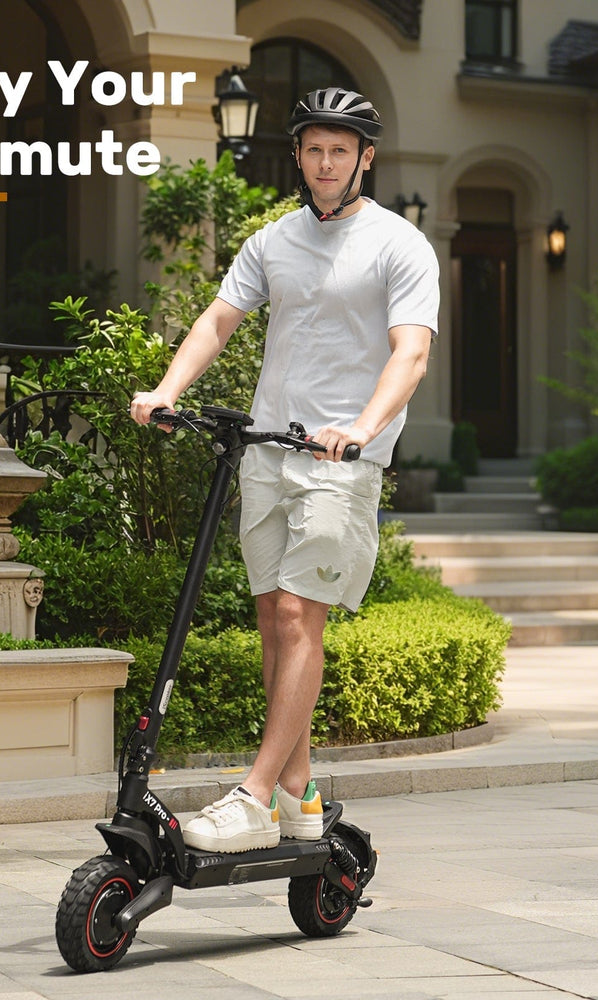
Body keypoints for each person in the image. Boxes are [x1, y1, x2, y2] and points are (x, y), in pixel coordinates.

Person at [130, 86, 439, 853]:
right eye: (314, 149)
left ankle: (255, 794)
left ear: (365, 157)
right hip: (267, 452)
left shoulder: (400, 244)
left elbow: (412, 350)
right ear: (298, 156)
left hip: (338, 462)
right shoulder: (274, 240)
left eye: (341, 150)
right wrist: (167, 391)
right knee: (274, 619)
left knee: (302, 617)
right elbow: (219, 319)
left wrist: (362, 429)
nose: (326, 162)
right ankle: (299, 795)